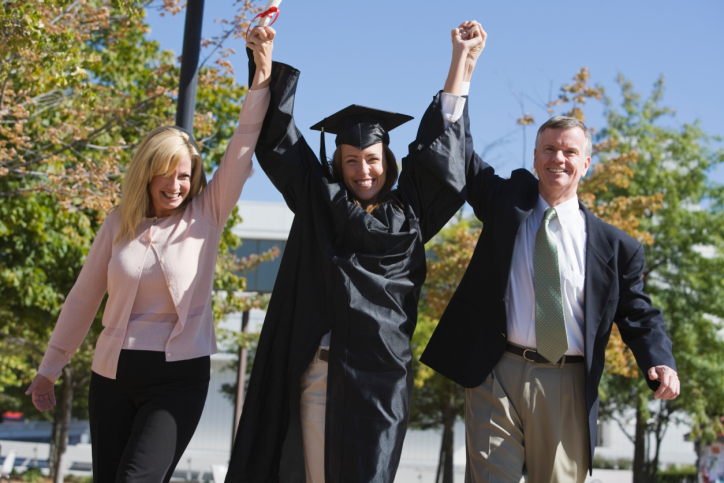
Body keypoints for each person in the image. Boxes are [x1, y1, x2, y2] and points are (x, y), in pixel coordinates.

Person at [225, 21, 486, 483]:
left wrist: (461, 63)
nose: (363, 170)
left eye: (372, 159)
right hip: (320, 378)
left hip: (380, 382)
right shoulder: (320, 202)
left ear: (387, 161)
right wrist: (263, 62)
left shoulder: (411, 214)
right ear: (337, 163)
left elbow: (444, 158)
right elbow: (279, 140)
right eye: (350, 160)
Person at [24, 33, 273, 481]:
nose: (176, 185)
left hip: (177, 378)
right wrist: (50, 368)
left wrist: (261, 78)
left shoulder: (208, 213)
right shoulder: (120, 221)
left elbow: (242, 143)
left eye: (185, 175)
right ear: (147, 171)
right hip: (111, 376)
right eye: (166, 173)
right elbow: (84, 297)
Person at [420, 113, 681, 482]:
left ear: (586, 164)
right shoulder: (505, 203)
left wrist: (660, 360)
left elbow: (639, 311)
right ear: (535, 158)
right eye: (549, 149)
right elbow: (460, 157)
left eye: (569, 151)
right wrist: (459, 76)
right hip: (496, 371)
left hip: (567, 383)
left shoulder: (615, 246)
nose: (558, 158)